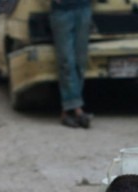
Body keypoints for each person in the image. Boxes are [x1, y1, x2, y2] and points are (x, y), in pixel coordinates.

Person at [49, 0, 93, 128]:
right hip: (62, 11)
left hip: (83, 8)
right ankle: (78, 110)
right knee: (66, 61)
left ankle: (67, 111)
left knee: (80, 61)